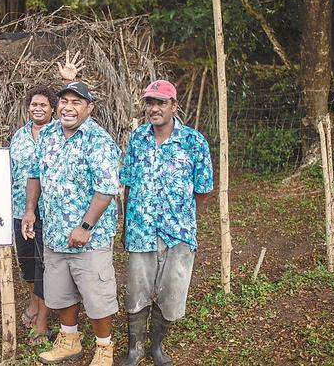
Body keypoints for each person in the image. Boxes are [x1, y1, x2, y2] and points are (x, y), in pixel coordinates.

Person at [22, 51, 121, 366]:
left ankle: (104, 348)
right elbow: (35, 173)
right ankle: (70, 342)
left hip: (88, 237)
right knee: (61, 292)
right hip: (54, 233)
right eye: (64, 100)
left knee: (96, 295)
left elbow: (106, 189)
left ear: (89, 108)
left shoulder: (98, 141)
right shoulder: (49, 133)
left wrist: (85, 227)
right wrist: (29, 210)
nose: (68, 106)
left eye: (77, 102)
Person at [119, 80, 213, 366]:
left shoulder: (194, 141)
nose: (154, 108)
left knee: (171, 290)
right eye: (150, 102)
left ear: (174, 105)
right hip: (141, 229)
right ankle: (134, 349)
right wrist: (128, 224)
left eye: (161, 102)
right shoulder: (137, 138)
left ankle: (157, 346)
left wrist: (180, 216)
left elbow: (203, 188)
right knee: (137, 290)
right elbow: (128, 184)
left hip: (178, 233)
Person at [10, 85, 58, 345]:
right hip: (20, 209)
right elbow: (11, 171)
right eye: (34, 104)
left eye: (43, 105)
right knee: (27, 262)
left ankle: (42, 318)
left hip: (48, 213)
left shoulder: (59, 133)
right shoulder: (19, 136)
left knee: (45, 264)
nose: (37, 109)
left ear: (52, 108)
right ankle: (33, 303)